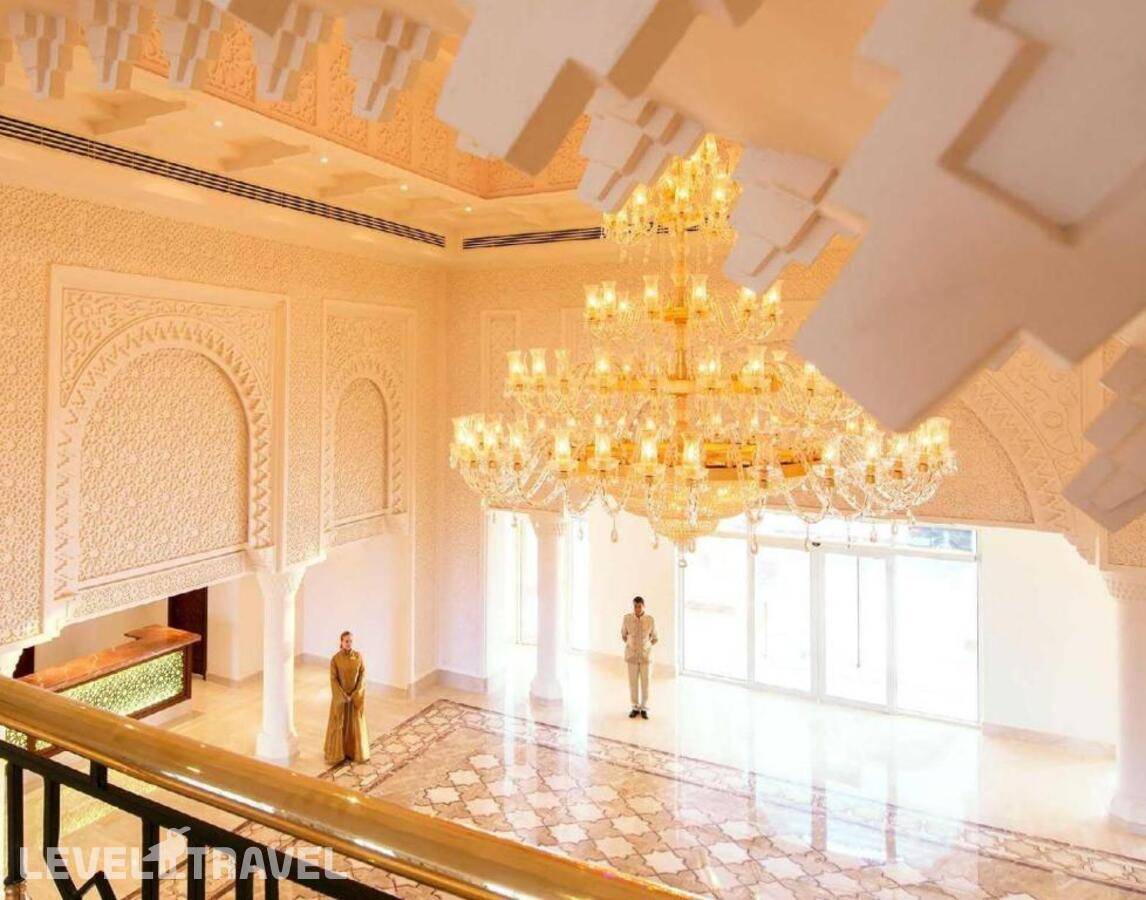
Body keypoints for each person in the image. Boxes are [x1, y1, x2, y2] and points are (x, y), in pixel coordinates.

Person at [323, 630, 370, 765]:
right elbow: (333, 679)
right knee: (339, 722)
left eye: (351, 641)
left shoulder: (358, 657)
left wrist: (355, 694)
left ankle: (353, 752)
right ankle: (337, 753)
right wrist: (343, 696)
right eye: (346, 641)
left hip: (354, 698)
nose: (349, 643)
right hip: (341, 698)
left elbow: (362, 675)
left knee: (354, 723)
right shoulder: (335, 659)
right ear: (341, 642)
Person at [621, 596, 658, 719]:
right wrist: (632, 645)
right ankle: (635, 707)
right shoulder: (627, 619)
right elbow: (623, 635)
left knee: (646, 683)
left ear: (644, 606)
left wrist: (646, 646)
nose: (637, 609)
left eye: (639, 606)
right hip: (631, 656)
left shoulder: (650, 620)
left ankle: (644, 708)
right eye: (635, 606)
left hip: (646, 657)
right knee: (633, 683)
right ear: (633, 607)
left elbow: (655, 638)